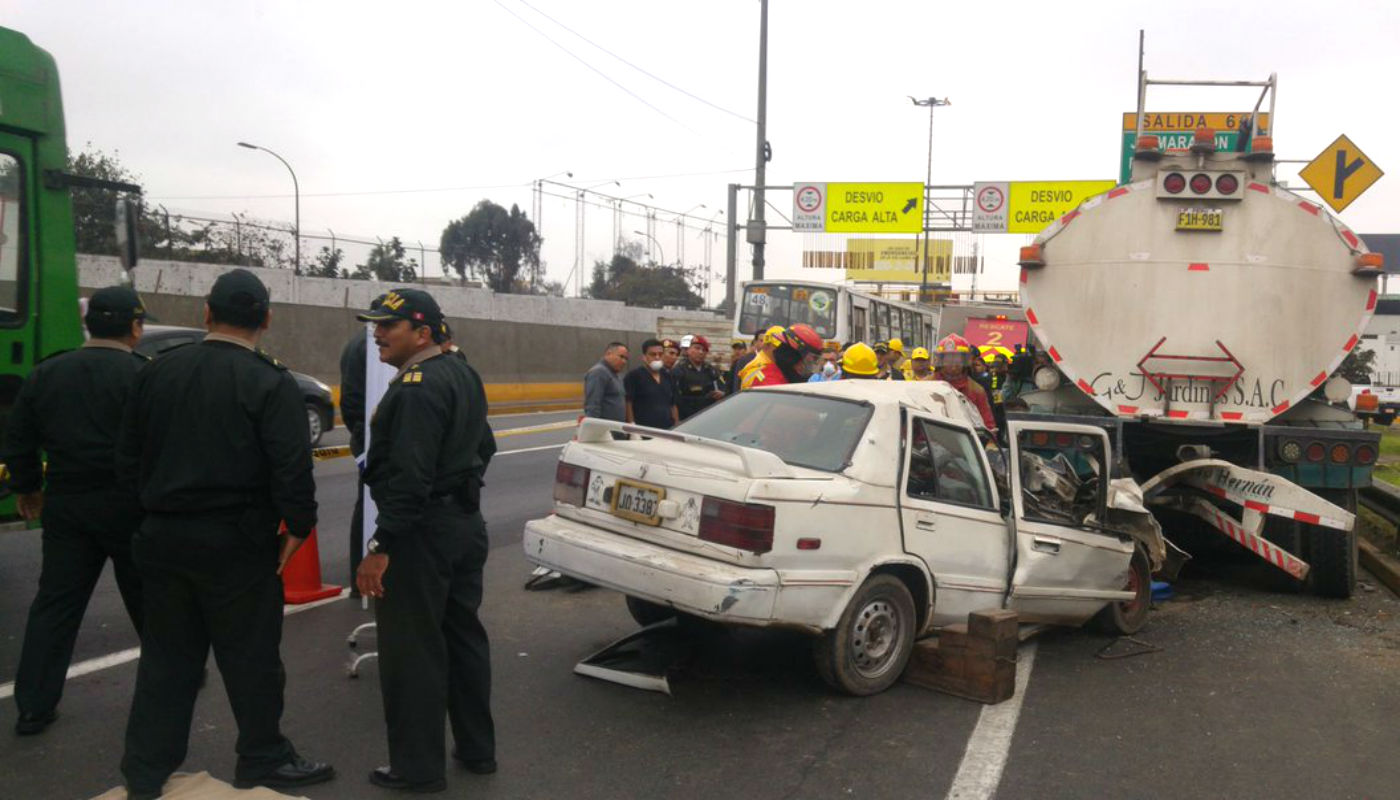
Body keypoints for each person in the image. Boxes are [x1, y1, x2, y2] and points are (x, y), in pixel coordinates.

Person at [118, 269, 332, 798]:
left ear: (207, 313)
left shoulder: (156, 372)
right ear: (266, 319)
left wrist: (145, 519)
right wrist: (297, 527)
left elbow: (127, 458)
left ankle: (145, 771)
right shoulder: (271, 382)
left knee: (166, 661)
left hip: (163, 537)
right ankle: (262, 757)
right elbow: (291, 469)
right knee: (252, 659)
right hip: (237, 543)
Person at [354, 288, 497, 793]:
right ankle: (477, 750)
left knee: (412, 651)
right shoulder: (461, 372)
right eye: (375, 325)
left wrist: (380, 547)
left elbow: (409, 479)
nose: (377, 334)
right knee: (463, 638)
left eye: (388, 326)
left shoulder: (416, 387)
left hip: (421, 534)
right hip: (463, 524)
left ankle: (417, 769)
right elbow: (485, 446)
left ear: (422, 333)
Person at [4, 286, 150, 737]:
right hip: (130, 507)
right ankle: (172, 675)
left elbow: (19, 436)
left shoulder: (48, 372)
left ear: (89, 324)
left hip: (67, 505)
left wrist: (27, 486)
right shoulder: (144, 375)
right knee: (149, 598)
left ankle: (34, 707)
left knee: (56, 604)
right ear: (135, 327)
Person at [339, 292, 387, 596]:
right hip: (370, 438)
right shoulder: (371, 346)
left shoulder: (354, 344)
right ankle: (365, 578)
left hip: (362, 436)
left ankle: (361, 576)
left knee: (366, 504)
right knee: (373, 507)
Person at [932, 333, 997, 433]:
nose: (953, 364)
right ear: (941, 360)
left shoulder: (976, 390)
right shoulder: (927, 385)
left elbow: (989, 427)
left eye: (957, 358)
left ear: (965, 361)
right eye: (948, 358)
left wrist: (990, 440)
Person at [741, 324, 824, 388]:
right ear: (792, 356)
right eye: (808, 362)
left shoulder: (782, 373)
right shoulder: (771, 383)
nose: (806, 368)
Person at [624, 339, 679, 429]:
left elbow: (673, 404)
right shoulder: (634, 376)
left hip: (667, 429)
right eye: (653, 354)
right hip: (644, 429)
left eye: (660, 354)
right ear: (644, 357)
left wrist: (676, 425)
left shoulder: (667, 376)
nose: (657, 357)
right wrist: (631, 426)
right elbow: (628, 402)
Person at [673, 335, 724, 420]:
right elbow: (676, 398)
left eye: (704, 350)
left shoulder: (710, 370)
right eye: (697, 348)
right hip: (687, 416)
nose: (701, 352)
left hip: (707, 415)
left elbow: (722, 387)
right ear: (688, 350)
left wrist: (721, 393)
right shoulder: (680, 370)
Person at [583, 342, 629, 422]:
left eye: (626, 359)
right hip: (604, 428)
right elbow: (593, 405)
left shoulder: (615, 375)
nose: (624, 361)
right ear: (608, 353)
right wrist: (593, 426)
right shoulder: (599, 373)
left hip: (615, 428)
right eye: (621, 357)